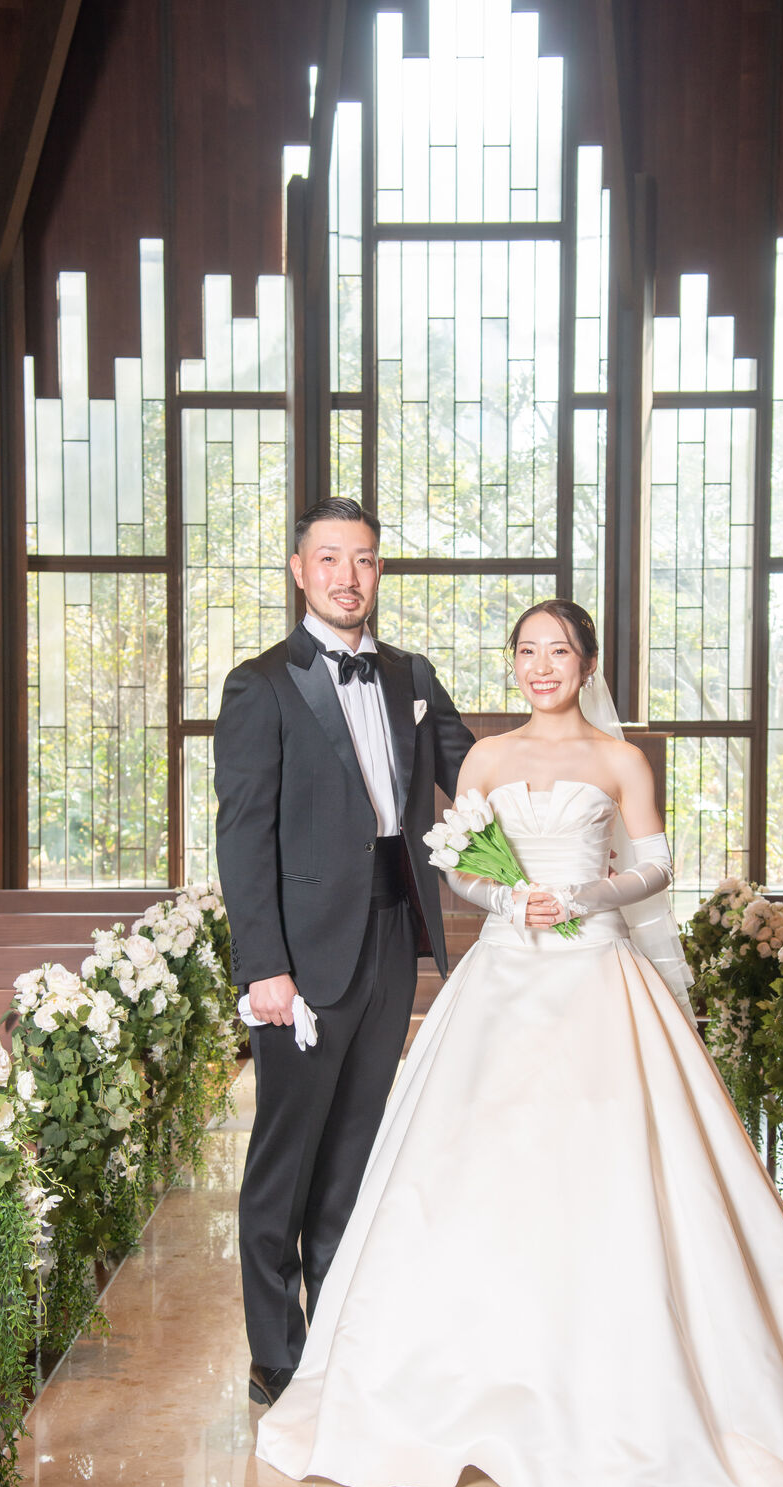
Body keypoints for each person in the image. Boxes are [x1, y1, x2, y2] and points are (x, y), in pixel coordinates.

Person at [253, 598, 783, 1487]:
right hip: (503, 977)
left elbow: (658, 867)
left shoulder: (620, 760)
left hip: (596, 971)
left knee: (612, 1167)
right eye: (526, 651)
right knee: (473, 1167)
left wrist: (589, 894)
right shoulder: (485, 758)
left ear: (587, 665)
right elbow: (457, 863)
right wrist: (507, 900)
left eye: (558, 651)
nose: (540, 666)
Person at [213, 497, 474, 1408]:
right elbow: (243, 836)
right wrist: (263, 967)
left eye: (362, 559)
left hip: (392, 938)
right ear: (299, 570)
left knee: (355, 1155)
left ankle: (331, 1341)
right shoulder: (260, 684)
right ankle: (275, 1354)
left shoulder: (411, 674)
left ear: (379, 570)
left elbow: (475, 784)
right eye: (328, 558)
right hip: (300, 960)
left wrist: (566, 812)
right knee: (284, 1160)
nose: (346, 577)